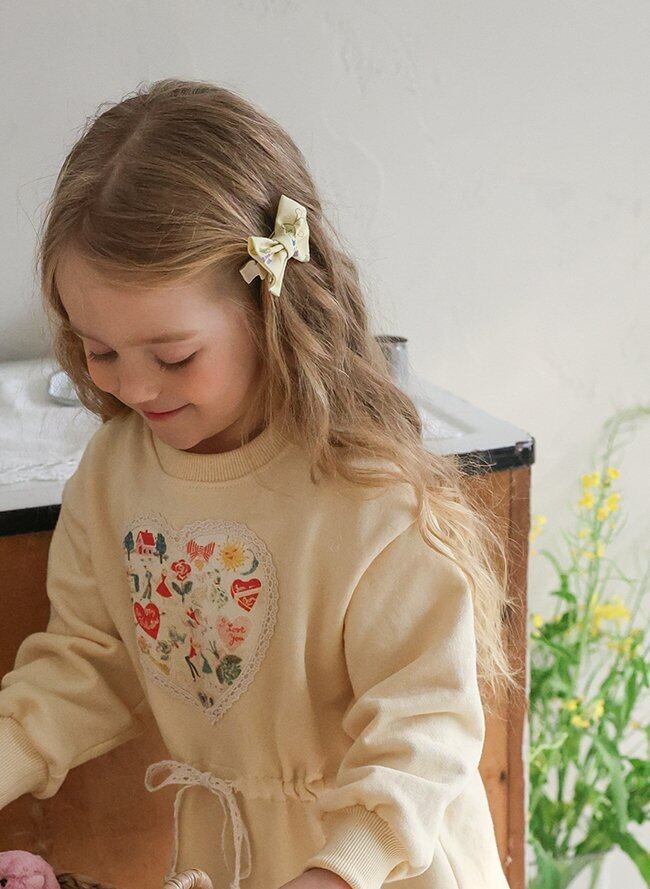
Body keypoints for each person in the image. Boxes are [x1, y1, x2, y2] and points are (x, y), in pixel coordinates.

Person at [0, 79, 520, 889]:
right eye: (99, 351)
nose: (134, 386)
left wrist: (335, 871)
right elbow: (88, 664)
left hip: (380, 865)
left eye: (174, 356)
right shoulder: (112, 477)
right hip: (233, 863)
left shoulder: (368, 497)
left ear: (271, 306)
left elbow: (425, 733)